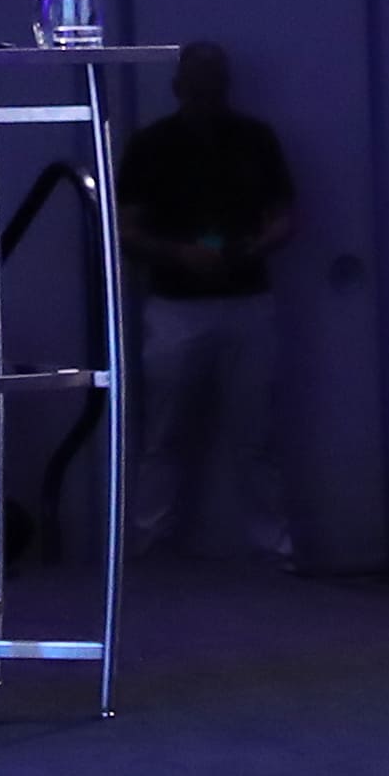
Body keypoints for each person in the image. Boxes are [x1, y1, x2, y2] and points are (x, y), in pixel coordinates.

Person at [117, 41, 302, 562]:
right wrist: (188, 254)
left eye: (213, 84)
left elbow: (286, 218)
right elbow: (126, 228)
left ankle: (259, 547)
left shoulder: (252, 140)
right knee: (172, 433)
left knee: (246, 433)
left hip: (232, 299)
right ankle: (161, 547)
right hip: (186, 302)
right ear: (180, 87)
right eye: (201, 84)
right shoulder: (154, 146)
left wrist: (239, 250)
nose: (207, 94)